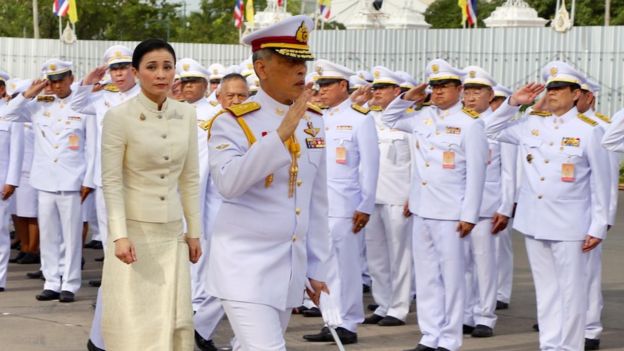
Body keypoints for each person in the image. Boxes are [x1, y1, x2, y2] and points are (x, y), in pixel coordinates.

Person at [205, 15, 331, 350]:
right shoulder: (231, 122)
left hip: (288, 268)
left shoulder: (313, 121)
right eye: (290, 62)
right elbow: (228, 183)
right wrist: (280, 134)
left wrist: (317, 266)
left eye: (303, 62)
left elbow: (315, 201)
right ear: (262, 69)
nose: (301, 71)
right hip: (243, 267)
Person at [485, 61, 610, 351]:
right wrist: (514, 102)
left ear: (576, 94)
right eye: (549, 88)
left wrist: (598, 224)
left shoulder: (590, 131)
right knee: (547, 292)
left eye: (559, 88)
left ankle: (570, 347)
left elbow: (601, 184)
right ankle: (550, 345)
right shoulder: (531, 124)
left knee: (572, 291)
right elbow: (489, 130)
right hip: (535, 221)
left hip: (571, 224)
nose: (552, 93)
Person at [100, 38, 202, 350]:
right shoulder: (119, 117)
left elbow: (190, 178)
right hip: (135, 232)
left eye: (167, 67)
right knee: (135, 321)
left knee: (175, 321)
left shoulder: (186, 115)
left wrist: (194, 232)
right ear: (136, 72)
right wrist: (119, 235)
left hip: (172, 233)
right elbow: (112, 181)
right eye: (152, 67)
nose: (161, 74)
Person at [382, 59, 489, 351]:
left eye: (444, 86)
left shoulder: (470, 124)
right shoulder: (422, 117)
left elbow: (476, 174)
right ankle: (429, 336)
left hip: (452, 212)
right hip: (422, 208)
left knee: (452, 279)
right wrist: (407, 97)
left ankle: (450, 340)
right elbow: (388, 119)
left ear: (459, 89)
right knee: (427, 277)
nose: (438, 92)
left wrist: (469, 214)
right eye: (434, 86)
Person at [1, 60, 96, 303]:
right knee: (50, 235)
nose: (56, 85)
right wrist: (28, 93)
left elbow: (92, 148)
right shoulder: (37, 106)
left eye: (60, 80)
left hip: (72, 180)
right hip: (44, 181)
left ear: (71, 79)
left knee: (72, 236)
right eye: (51, 81)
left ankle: (70, 283)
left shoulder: (82, 105)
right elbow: (8, 113)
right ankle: (52, 281)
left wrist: (88, 180)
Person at [460, 66, 517, 338]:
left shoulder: (500, 125)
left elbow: (509, 172)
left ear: (490, 94)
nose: (471, 97)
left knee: (484, 264)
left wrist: (505, 208)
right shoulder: (457, 121)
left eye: (477, 92)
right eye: (467, 91)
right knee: (463, 265)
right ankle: (466, 314)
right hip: (458, 206)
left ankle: (484, 316)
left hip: (487, 205)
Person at [359, 66, 413, 327]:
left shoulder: (409, 120)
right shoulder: (366, 117)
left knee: (400, 254)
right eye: (375, 88)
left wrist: (413, 196)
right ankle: (383, 303)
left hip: (399, 197)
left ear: (397, 91)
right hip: (372, 197)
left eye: (382, 89)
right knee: (376, 256)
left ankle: (399, 307)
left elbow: (419, 163)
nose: (376, 92)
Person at [577, 77, 619, 351]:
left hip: (590, 214)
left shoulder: (603, 127)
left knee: (588, 275)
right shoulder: (553, 126)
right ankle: (565, 321)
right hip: (561, 214)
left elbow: (609, 179)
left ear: (589, 97)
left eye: (575, 94)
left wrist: (604, 220)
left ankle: (590, 328)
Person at [489, 83, 516, 311]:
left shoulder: (506, 129)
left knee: (500, 249)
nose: (494, 105)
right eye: (493, 100)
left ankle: (501, 292)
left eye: (499, 100)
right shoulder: (479, 125)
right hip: (476, 201)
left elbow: (509, 173)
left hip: (498, 199)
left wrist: (507, 205)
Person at [0, 73, 24, 292]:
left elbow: (17, 150)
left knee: (0, 230)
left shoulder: (10, 113)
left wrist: (12, 181)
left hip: (1, 181)